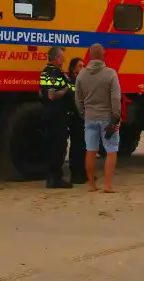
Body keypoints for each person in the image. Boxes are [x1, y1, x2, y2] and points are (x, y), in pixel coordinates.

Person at [75, 43, 122, 192]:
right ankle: (108, 185)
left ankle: (91, 184)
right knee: (111, 149)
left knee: (90, 149)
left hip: (90, 117)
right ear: (103, 55)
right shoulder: (110, 74)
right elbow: (115, 98)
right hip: (107, 117)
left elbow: (78, 99)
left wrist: (83, 112)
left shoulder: (81, 75)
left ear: (89, 55)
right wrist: (116, 115)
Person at [38, 46, 73, 189]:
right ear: (56, 58)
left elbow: (41, 93)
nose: (63, 60)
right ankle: (56, 179)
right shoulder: (55, 73)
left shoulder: (45, 72)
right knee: (58, 147)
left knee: (50, 146)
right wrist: (66, 89)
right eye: (62, 57)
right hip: (57, 114)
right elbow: (52, 95)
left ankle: (50, 178)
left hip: (48, 112)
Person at [66, 57, 88, 185]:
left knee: (84, 146)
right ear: (73, 68)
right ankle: (76, 174)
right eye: (79, 66)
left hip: (83, 117)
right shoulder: (72, 82)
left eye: (83, 65)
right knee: (77, 146)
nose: (82, 68)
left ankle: (83, 173)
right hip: (76, 117)